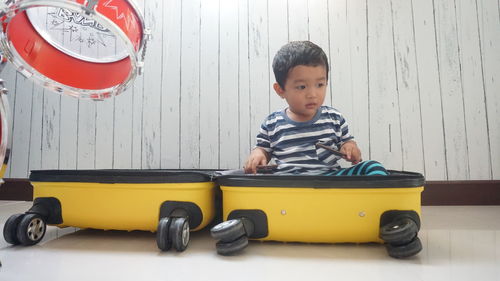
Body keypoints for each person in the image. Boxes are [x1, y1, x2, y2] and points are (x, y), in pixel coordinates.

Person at [244, 41, 388, 176]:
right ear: (280, 89)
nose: (312, 95)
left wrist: (349, 147)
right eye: (302, 87)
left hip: (330, 180)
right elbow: (263, 149)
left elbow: (347, 141)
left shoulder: (334, 118)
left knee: (373, 167)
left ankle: (374, 200)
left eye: (320, 85)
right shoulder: (272, 123)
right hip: (289, 182)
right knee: (254, 181)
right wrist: (258, 154)